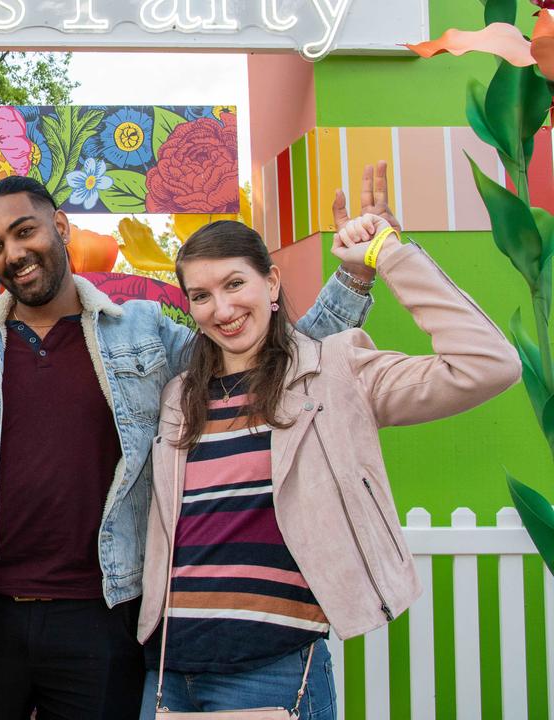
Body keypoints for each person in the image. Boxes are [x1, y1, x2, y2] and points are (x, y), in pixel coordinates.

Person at [0, 174, 378, 719]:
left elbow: (272, 363)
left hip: (103, 619)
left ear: (60, 228)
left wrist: (354, 277)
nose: (13, 254)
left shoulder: (143, 333)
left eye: (24, 232)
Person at [135, 184, 520, 718]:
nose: (221, 309)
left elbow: (487, 364)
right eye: (201, 295)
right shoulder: (180, 396)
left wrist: (387, 253)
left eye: (234, 283)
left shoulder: (335, 374)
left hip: (271, 669)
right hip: (166, 670)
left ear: (271, 282)